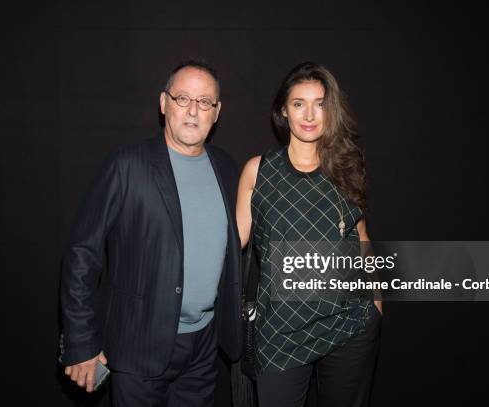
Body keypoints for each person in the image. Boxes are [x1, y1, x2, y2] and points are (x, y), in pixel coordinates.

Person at [59, 60, 242, 407]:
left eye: (204, 102)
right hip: (138, 346)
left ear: (217, 112)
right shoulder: (127, 165)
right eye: (182, 98)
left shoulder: (227, 167)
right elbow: (82, 253)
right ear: (163, 103)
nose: (192, 110)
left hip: (203, 349)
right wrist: (81, 341)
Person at [236, 62, 382, 407]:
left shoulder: (345, 166)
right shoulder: (259, 170)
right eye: (299, 103)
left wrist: (376, 301)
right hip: (280, 332)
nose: (309, 114)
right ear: (283, 110)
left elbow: (361, 236)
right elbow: (232, 246)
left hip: (348, 325)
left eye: (319, 103)